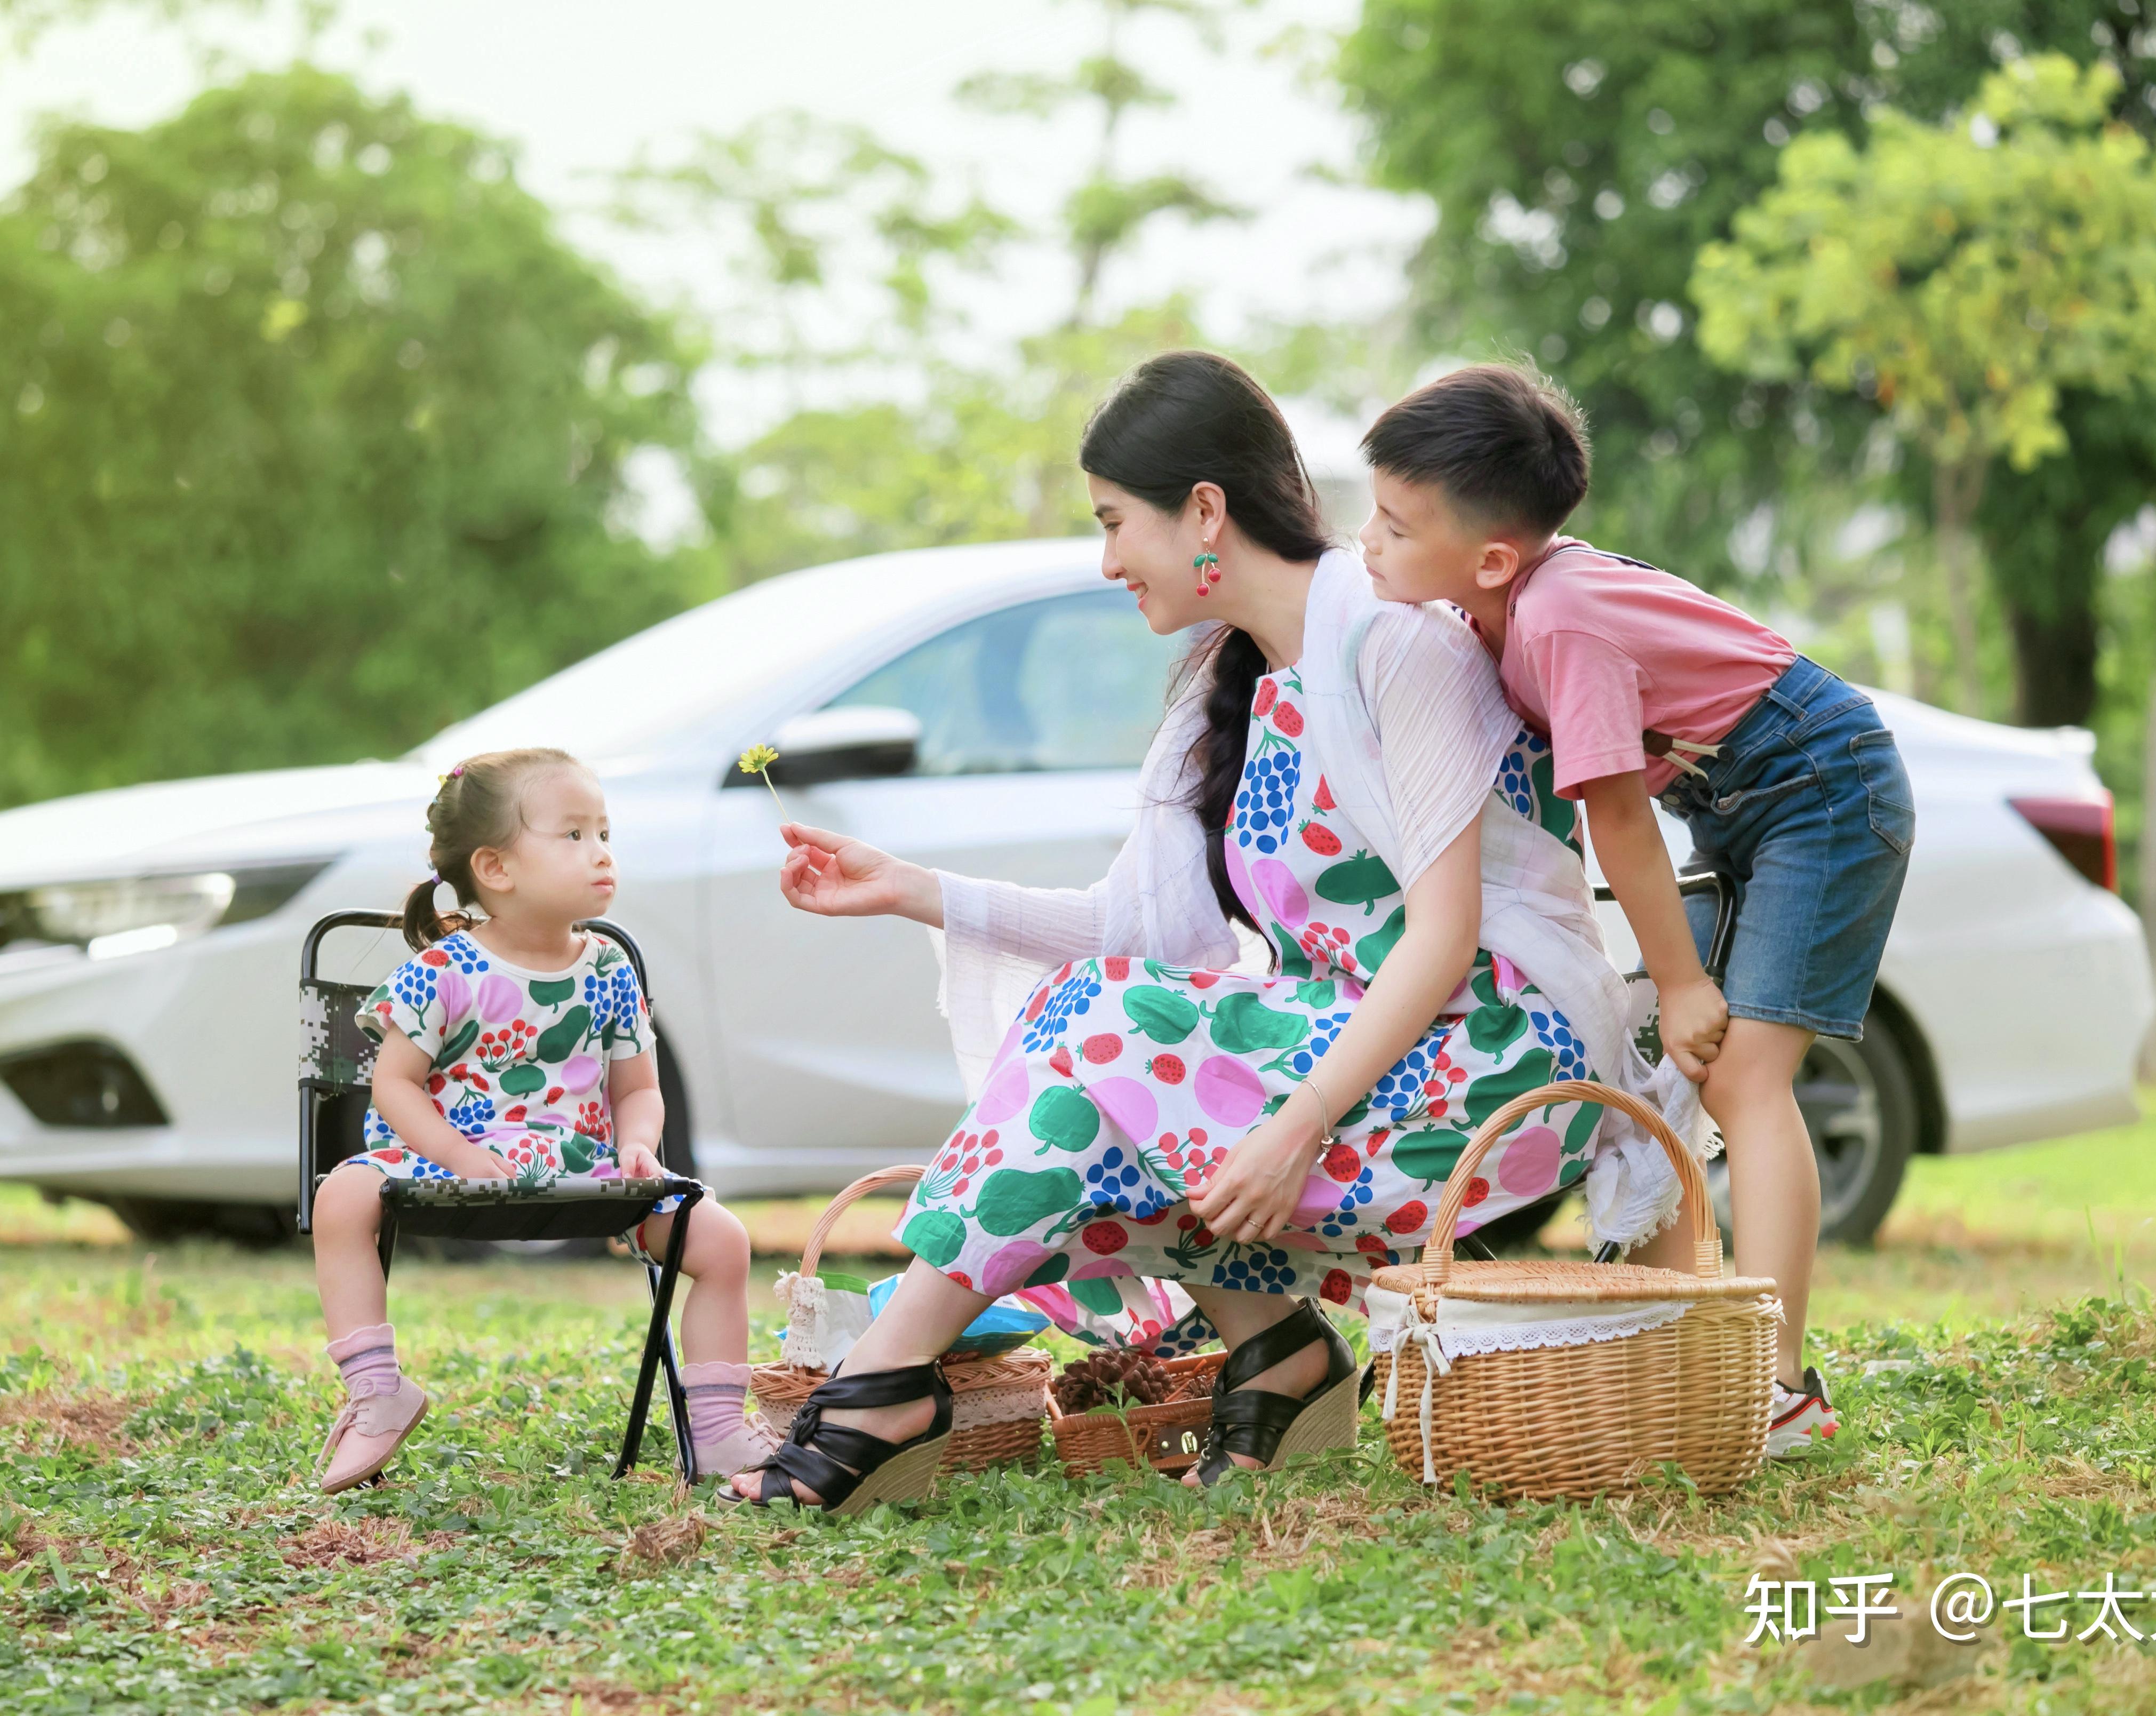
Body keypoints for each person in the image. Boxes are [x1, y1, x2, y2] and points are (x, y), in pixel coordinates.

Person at [726, 352, 1666, 1513]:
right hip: (1368, 1063)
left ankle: (882, 1381)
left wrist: (1292, 1125)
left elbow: (1442, 935)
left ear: (1204, 512)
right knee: (1097, 1030)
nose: (1107, 557)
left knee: (1109, 1036)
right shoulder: (1231, 687)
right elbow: (1128, 930)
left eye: (1116, 521)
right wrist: (906, 885)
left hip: (1494, 1066)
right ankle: (1278, 1356)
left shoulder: (1392, 644)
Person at [1355, 362, 1915, 1454]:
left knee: (1745, 1071)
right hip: (1744, 796)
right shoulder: (1492, 612)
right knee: (1682, 1068)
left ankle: (1778, 1382)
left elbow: (1616, 818)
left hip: (1823, 785)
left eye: (1391, 523)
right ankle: (1683, 1342)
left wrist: (1679, 976)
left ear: (1489, 557)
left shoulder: (1555, 621)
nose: (1366, 540)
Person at [309, 747, 771, 1493]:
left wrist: (638, 1144)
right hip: (450, 1158)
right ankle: (377, 1393)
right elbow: (394, 1087)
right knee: (342, 1195)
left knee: (720, 1237)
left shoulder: (609, 969)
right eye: (574, 835)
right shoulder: (444, 971)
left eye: (604, 834)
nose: (601, 854)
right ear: (496, 867)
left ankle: (716, 1429)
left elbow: (638, 1089)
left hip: (579, 1165)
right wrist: (455, 1154)